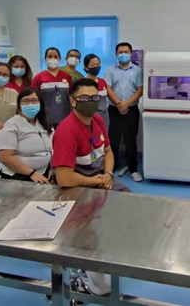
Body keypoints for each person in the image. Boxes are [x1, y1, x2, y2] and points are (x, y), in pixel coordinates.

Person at [52, 78, 131, 299]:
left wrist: (108, 174)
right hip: (76, 184)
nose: (91, 102)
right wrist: (96, 181)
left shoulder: (97, 120)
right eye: (84, 98)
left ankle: (114, 254)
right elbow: (64, 178)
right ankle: (91, 274)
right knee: (88, 226)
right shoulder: (67, 131)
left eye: (95, 97)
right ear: (73, 101)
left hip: (100, 176)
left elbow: (108, 152)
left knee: (131, 203)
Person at [0, 88, 53, 182]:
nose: (30, 104)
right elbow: (5, 157)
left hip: (43, 172)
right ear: (19, 106)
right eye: (25, 101)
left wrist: (53, 167)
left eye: (34, 100)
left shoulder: (45, 124)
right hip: (15, 175)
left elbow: (55, 148)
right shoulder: (11, 126)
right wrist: (32, 173)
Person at [104, 42, 144, 182]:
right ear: (116, 54)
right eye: (120, 52)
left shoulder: (138, 71)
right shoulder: (110, 70)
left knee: (130, 141)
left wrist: (126, 104)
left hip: (131, 110)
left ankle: (133, 169)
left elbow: (140, 90)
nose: (123, 54)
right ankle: (112, 167)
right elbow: (107, 88)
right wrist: (118, 104)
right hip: (113, 110)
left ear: (131, 53)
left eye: (126, 52)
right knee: (113, 140)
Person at [31, 47, 73, 128]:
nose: (52, 59)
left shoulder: (67, 77)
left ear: (59, 59)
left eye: (55, 56)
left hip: (65, 117)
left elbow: (71, 96)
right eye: (49, 56)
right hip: (46, 118)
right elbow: (33, 98)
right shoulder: (39, 77)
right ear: (45, 59)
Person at [83, 53, 110, 127]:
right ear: (86, 67)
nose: (96, 67)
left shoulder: (103, 82)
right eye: (93, 65)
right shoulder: (82, 83)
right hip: (89, 117)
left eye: (98, 64)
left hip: (104, 117)